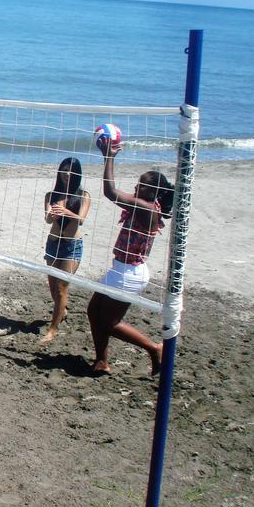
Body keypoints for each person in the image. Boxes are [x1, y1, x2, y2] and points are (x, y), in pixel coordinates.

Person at [86, 142, 174, 375]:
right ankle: (102, 360)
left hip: (129, 274)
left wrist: (108, 157)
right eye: (139, 182)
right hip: (122, 270)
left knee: (110, 322)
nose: (137, 186)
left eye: (143, 185)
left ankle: (154, 348)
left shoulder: (146, 208)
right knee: (94, 311)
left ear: (153, 192)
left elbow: (110, 192)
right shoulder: (145, 205)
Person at [40, 157, 91, 343]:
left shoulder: (83, 195)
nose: (67, 174)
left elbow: (82, 219)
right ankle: (63, 310)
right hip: (53, 242)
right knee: (53, 287)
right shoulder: (51, 195)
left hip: (72, 245)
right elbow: (47, 219)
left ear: (77, 173)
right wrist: (52, 214)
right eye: (64, 170)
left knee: (62, 288)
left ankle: (52, 330)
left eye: (71, 171)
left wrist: (67, 212)